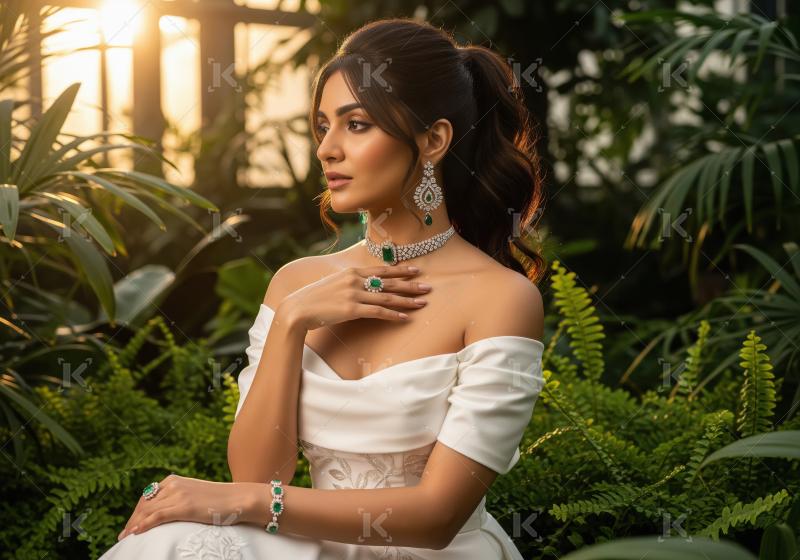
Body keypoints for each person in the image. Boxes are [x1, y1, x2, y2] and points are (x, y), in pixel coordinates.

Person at [101, 15, 546, 560]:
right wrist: (291, 323)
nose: (326, 150)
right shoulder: (297, 283)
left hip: (435, 552)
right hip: (308, 543)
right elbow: (258, 474)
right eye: (322, 126)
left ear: (433, 141)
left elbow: (435, 519)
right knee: (165, 546)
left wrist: (239, 502)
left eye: (356, 125)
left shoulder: (501, 299)